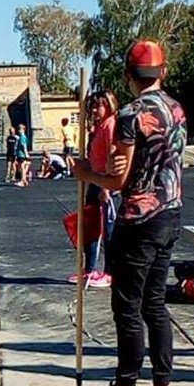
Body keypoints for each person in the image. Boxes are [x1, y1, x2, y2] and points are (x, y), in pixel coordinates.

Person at [72, 40, 187, 386]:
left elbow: (119, 180)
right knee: (155, 303)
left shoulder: (131, 114)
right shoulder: (176, 110)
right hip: (171, 212)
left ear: (128, 76)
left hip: (139, 219)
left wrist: (86, 173)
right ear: (162, 72)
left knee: (127, 306)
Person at [68, 90, 121, 288]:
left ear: (108, 105)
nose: (94, 110)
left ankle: (110, 272)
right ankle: (89, 269)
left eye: (98, 106)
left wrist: (106, 187)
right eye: (93, 106)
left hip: (104, 183)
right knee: (89, 226)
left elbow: (112, 157)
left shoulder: (111, 125)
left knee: (108, 231)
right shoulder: (99, 127)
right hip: (94, 181)